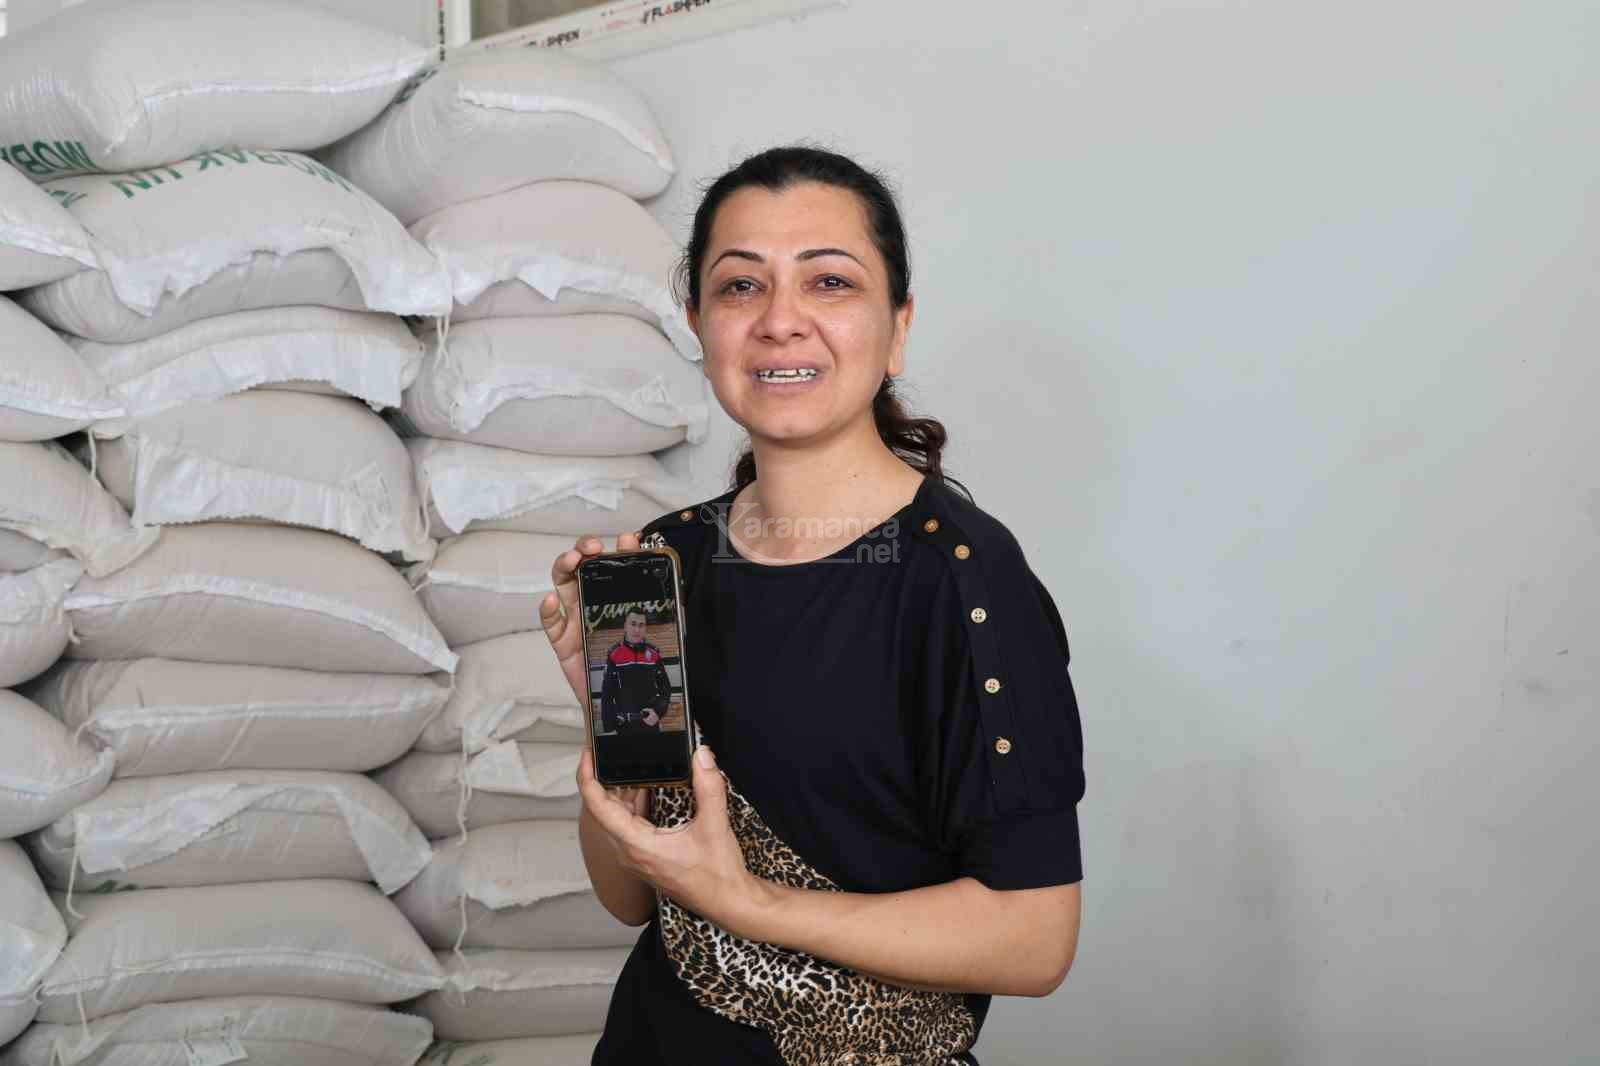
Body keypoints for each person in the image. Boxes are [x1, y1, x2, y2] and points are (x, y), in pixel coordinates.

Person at [539, 145, 1085, 1066]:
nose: (780, 321)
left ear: (897, 326)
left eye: (830, 282)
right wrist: (612, 723)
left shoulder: (965, 580)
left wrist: (751, 903)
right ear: (699, 325)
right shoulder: (670, 558)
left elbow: (1035, 937)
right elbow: (629, 898)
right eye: (740, 287)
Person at [598, 607, 673, 734]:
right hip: (624, 726)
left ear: (645, 628)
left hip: (650, 724)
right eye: (633, 624)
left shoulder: (653, 654)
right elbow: (607, 694)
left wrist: (658, 712)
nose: (637, 630)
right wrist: (609, 727)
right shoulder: (614, 654)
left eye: (641, 625)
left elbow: (665, 688)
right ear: (625, 626)